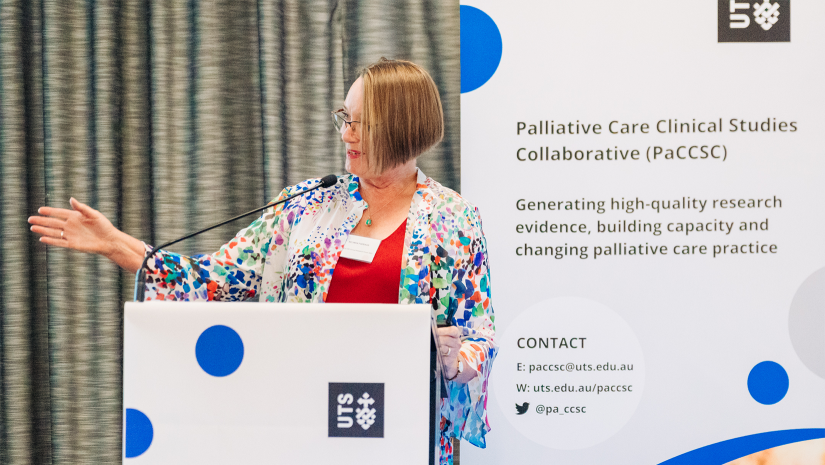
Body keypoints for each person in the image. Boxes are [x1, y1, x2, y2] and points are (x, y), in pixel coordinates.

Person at [29, 58, 496, 465]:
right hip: (301, 419)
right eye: (344, 119)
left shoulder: (453, 218)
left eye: (362, 123)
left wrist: (453, 362)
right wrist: (119, 246)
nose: (346, 135)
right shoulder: (307, 204)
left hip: (399, 427)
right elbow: (219, 278)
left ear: (404, 127)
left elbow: (480, 337)